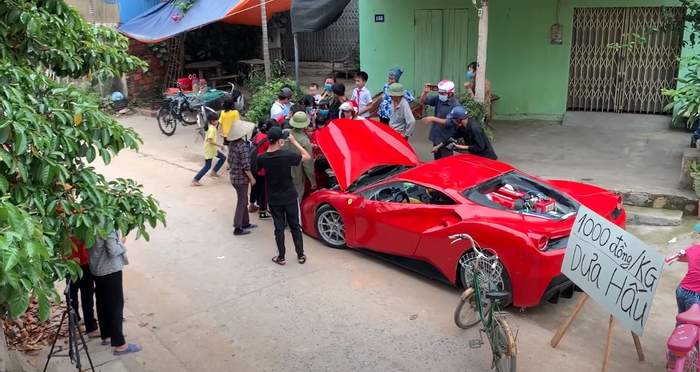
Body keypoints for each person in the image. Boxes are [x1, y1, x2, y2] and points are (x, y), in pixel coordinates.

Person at [257, 126, 311, 265]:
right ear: (280, 140)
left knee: (279, 228)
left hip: (274, 198)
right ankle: (300, 255)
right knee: (295, 226)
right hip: (290, 196)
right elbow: (307, 156)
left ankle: (281, 257)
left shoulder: (262, 158)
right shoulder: (287, 155)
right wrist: (294, 142)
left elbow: (257, 170)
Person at [89, 230, 141, 356]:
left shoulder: (90, 218)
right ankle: (120, 345)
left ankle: (106, 335)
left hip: (96, 268)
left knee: (102, 303)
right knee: (115, 306)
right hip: (110, 270)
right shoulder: (106, 222)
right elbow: (113, 250)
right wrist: (122, 244)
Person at [228, 119, 258, 235]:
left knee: (243, 199)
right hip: (241, 179)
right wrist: (252, 178)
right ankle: (237, 227)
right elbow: (246, 166)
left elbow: (229, 161)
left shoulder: (232, 145)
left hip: (234, 177)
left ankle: (245, 223)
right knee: (242, 201)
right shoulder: (243, 147)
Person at [421, 80, 460, 160]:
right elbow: (423, 101)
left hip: (446, 139)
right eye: (439, 93)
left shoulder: (455, 105)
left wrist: (433, 119)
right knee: (437, 162)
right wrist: (425, 92)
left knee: (446, 163)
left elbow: (450, 122)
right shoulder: (439, 99)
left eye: (443, 93)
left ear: (450, 93)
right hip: (437, 136)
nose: (440, 95)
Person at [67, 237, 98, 338]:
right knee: (86, 297)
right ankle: (90, 328)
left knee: (73, 296)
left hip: (71, 262)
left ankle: (76, 324)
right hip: (80, 262)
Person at [284, 112, 316, 200]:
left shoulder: (285, 134)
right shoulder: (305, 141)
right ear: (304, 126)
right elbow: (308, 164)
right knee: (296, 197)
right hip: (297, 172)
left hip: (283, 169)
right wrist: (312, 180)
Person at [192, 112, 226, 186]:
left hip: (212, 149)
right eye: (216, 120)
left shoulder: (210, 127)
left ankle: (213, 172)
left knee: (223, 158)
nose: (217, 121)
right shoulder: (212, 129)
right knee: (207, 166)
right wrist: (220, 146)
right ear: (212, 121)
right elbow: (210, 140)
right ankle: (195, 179)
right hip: (210, 149)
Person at [249, 119, 274, 219]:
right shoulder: (268, 140)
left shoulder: (258, 134)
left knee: (255, 186)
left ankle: (252, 204)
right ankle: (262, 211)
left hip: (254, 165)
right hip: (263, 168)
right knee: (263, 190)